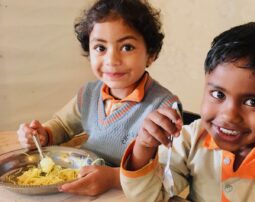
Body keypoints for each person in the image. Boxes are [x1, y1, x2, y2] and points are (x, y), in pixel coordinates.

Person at [120, 21, 255, 201]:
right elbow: (150, 197)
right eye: (218, 95)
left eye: (252, 101)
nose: (229, 115)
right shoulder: (190, 139)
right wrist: (144, 147)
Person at [17, 0, 180, 196]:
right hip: (81, 182)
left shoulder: (164, 107)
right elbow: (62, 125)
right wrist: (44, 133)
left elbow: (169, 172)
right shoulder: (89, 93)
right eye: (100, 48)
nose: (111, 60)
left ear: (150, 54)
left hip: (129, 193)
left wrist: (112, 178)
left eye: (127, 47)